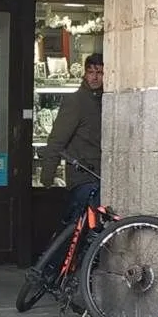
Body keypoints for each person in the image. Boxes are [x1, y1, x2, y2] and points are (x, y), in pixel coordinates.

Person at [40, 53, 104, 222]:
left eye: (99, 72)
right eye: (91, 72)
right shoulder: (76, 101)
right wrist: (47, 176)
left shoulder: (106, 100)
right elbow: (57, 139)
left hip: (100, 175)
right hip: (83, 175)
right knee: (78, 228)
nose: (95, 77)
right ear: (85, 73)